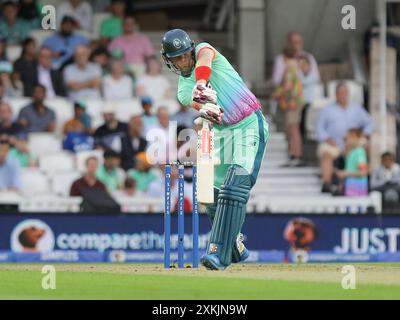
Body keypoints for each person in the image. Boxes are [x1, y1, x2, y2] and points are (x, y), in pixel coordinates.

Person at [161, 29, 269, 270]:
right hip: (222, 133)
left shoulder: (204, 50)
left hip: (249, 124)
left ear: (191, 51)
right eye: (175, 59)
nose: (181, 62)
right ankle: (235, 246)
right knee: (211, 197)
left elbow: (205, 59)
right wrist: (205, 104)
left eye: (184, 56)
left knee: (234, 186)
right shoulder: (181, 90)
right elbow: (200, 103)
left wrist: (201, 83)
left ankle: (218, 254)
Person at [316, 82, 374, 193]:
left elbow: (370, 123)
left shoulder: (357, 108)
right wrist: (327, 138)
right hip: (335, 144)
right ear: (336, 94)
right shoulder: (327, 110)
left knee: (366, 145)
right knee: (325, 152)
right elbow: (319, 128)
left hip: (354, 143)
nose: (342, 95)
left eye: (345, 92)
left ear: (348, 94)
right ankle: (327, 183)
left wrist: (362, 135)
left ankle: (365, 179)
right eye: (340, 93)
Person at [272, 47, 305, 167]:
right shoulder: (296, 67)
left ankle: (295, 156)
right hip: (295, 102)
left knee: (293, 130)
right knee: (294, 129)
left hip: (292, 103)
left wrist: (276, 93)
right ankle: (295, 155)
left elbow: (288, 86)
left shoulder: (290, 68)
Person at [336, 129, 369, 197]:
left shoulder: (359, 152)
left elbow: (363, 172)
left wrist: (345, 173)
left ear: (354, 137)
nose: (345, 140)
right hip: (351, 187)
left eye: (347, 138)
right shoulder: (352, 152)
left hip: (358, 188)